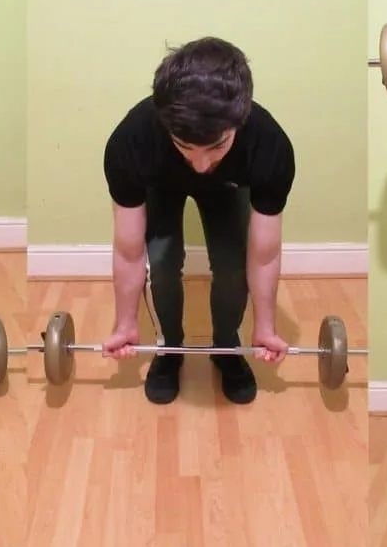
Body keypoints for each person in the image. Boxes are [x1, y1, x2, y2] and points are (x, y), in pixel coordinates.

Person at [101, 36, 296, 405]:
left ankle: (227, 348)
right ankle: (168, 350)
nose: (201, 164)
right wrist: (125, 323)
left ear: (241, 118)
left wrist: (266, 326)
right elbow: (129, 251)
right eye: (186, 147)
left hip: (228, 185)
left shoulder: (269, 146)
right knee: (161, 263)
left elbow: (265, 253)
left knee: (234, 264)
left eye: (217, 147)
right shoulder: (132, 141)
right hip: (161, 183)